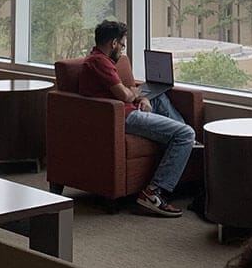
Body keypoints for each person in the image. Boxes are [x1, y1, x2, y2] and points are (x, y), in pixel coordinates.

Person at [76, 20, 195, 217]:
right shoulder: (99, 62)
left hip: (129, 108)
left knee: (159, 96)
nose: (123, 50)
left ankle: (185, 142)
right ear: (113, 43)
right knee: (185, 133)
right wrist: (134, 94)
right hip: (123, 117)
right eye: (122, 44)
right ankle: (153, 192)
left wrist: (141, 96)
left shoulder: (101, 60)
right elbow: (123, 96)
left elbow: (124, 93)